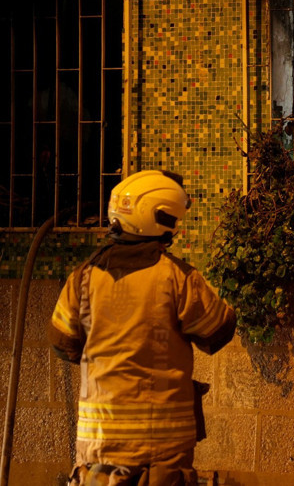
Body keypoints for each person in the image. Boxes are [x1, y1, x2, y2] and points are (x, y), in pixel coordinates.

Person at [48, 170, 236, 486]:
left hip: (99, 444)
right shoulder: (177, 278)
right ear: (161, 218)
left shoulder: (82, 277)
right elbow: (218, 331)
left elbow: (62, 342)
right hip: (162, 450)